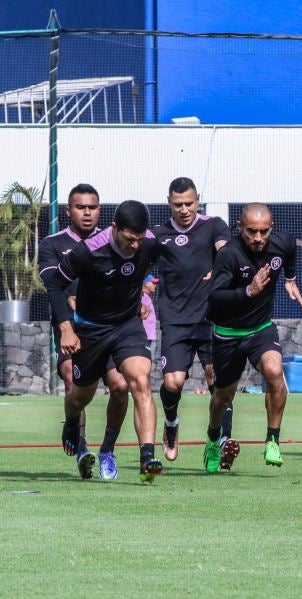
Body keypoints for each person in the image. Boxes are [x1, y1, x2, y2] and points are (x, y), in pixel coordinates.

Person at [46, 200, 162, 483]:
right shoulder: (87, 252)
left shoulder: (148, 243)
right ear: (114, 228)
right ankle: (72, 423)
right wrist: (66, 329)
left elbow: (163, 262)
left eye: (139, 239)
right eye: (129, 239)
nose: (135, 245)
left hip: (126, 326)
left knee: (136, 381)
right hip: (90, 330)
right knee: (80, 396)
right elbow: (55, 284)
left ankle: (143, 456)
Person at [38, 184, 130, 480]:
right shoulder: (52, 244)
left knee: (119, 386)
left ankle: (107, 450)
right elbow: (54, 284)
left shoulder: (113, 241)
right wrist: (68, 309)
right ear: (69, 211)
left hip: (109, 327)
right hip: (72, 329)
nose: (87, 212)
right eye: (80, 207)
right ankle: (81, 448)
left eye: (92, 207)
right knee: (71, 380)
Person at [203, 203, 302, 473]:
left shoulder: (280, 244)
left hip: (260, 329)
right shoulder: (229, 254)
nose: (258, 238)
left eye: (263, 231)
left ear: (271, 228)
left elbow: (291, 245)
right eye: (251, 232)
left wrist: (290, 278)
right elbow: (214, 299)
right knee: (223, 397)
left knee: (274, 373)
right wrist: (249, 291)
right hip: (227, 334)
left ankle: (272, 441)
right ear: (239, 227)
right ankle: (213, 439)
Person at [151, 177, 231, 464]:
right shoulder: (158, 235)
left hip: (211, 319)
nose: (184, 209)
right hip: (175, 321)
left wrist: (220, 268)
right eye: (178, 204)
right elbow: (138, 265)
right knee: (173, 383)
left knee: (217, 381)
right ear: (169, 203)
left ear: (198, 199)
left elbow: (226, 250)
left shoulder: (214, 225)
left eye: (189, 203)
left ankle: (222, 441)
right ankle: (171, 425)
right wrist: (144, 285)